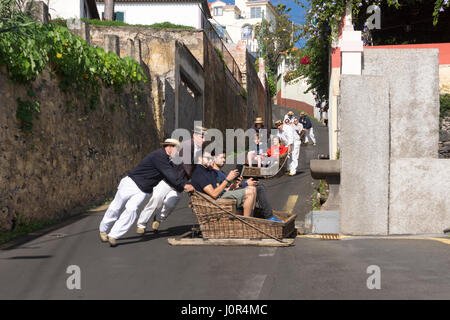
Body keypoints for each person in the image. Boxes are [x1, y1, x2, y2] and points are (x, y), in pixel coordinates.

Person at [99, 139, 194, 247]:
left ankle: (114, 235)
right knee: (116, 207)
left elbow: (174, 173)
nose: (178, 152)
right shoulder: (159, 156)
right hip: (131, 183)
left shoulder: (168, 159)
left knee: (132, 209)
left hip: (143, 190)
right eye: (177, 149)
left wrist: (184, 183)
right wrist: (184, 185)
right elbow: (169, 173)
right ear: (170, 147)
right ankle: (103, 230)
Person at [136, 126, 207, 234]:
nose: (204, 140)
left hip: (180, 183)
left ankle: (158, 219)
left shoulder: (200, 148)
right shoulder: (187, 146)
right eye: (202, 137)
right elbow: (188, 168)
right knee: (156, 199)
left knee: (170, 204)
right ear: (194, 136)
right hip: (168, 179)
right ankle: (141, 224)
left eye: (205, 137)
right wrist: (196, 180)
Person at [211, 151, 281, 222]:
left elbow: (228, 188)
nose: (224, 160)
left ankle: (267, 215)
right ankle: (265, 217)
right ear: (214, 158)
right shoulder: (213, 173)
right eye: (221, 158)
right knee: (253, 188)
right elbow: (220, 191)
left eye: (225, 158)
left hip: (229, 193)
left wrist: (237, 183)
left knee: (259, 186)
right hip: (223, 198)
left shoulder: (221, 173)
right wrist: (244, 184)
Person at [191, 152, 257, 217]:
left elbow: (218, 189)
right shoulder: (199, 172)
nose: (211, 161)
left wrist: (232, 187)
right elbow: (214, 194)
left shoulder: (208, 171)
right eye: (208, 158)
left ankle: (250, 219)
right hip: (213, 202)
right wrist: (227, 179)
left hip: (219, 197)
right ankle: (247, 222)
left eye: (211, 158)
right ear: (200, 158)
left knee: (252, 189)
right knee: (250, 192)